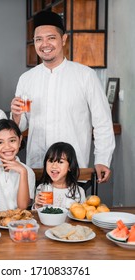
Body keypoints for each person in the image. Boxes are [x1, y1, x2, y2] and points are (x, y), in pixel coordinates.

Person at [10, 10, 115, 183]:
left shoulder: (85, 76)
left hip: (74, 169)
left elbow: (102, 122)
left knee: (75, 210)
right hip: (37, 169)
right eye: (38, 39)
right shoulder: (26, 79)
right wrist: (16, 115)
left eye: (51, 38)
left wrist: (102, 159)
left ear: (63, 39)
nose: (45, 44)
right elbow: (20, 127)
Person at [34, 142, 86, 209]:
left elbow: (82, 214)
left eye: (60, 162)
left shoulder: (78, 191)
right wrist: (37, 206)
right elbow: (37, 214)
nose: (54, 166)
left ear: (70, 167)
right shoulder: (42, 189)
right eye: (51, 161)